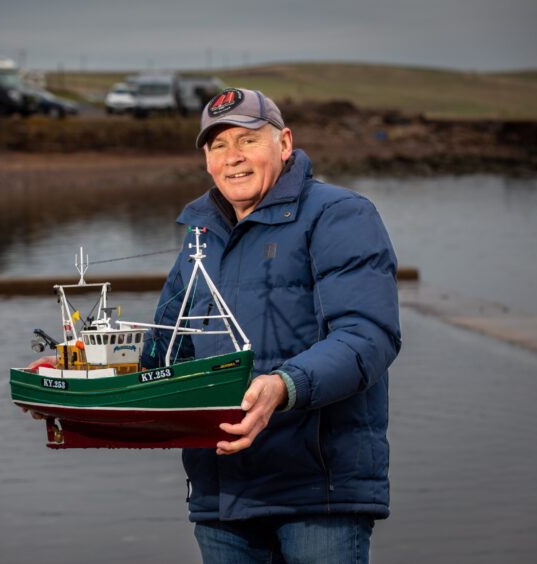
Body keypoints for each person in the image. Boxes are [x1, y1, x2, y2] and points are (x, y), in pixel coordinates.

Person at [141, 87, 401, 563]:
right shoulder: (200, 234)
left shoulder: (339, 215)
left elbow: (367, 337)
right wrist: (79, 384)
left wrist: (283, 386)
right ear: (205, 160)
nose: (233, 158)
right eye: (218, 145)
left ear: (283, 144)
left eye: (248, 141)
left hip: (317, 493)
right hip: (220, 495)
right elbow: (165, 352)